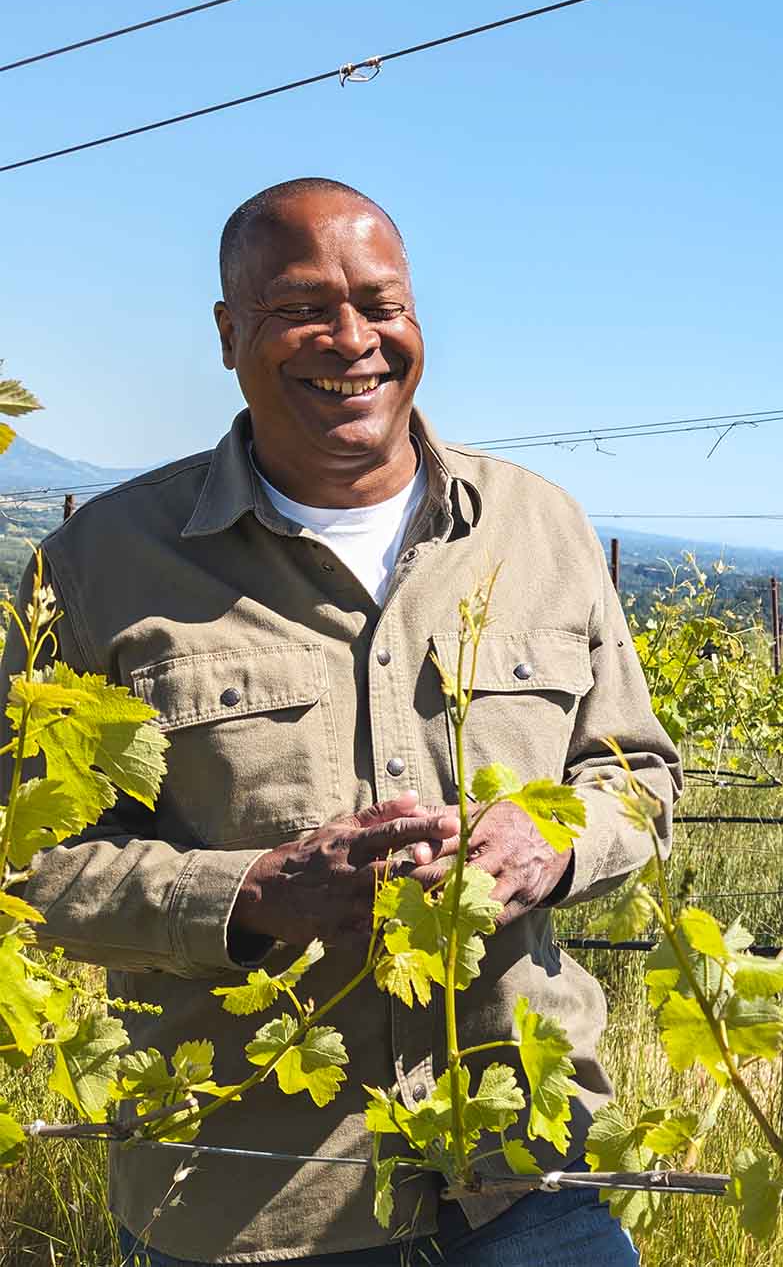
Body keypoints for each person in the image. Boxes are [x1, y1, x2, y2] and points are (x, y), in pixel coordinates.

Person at [3, 178, 679, 1264]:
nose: (352, 338)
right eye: (301, 306)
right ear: (230, 334)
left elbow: (638, 774)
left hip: (526, 1172)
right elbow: (26, 866)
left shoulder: (541, 528)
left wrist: (552, 842)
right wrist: (249, 894)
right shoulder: (100, 566)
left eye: (382, 301)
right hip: (242, 1200)